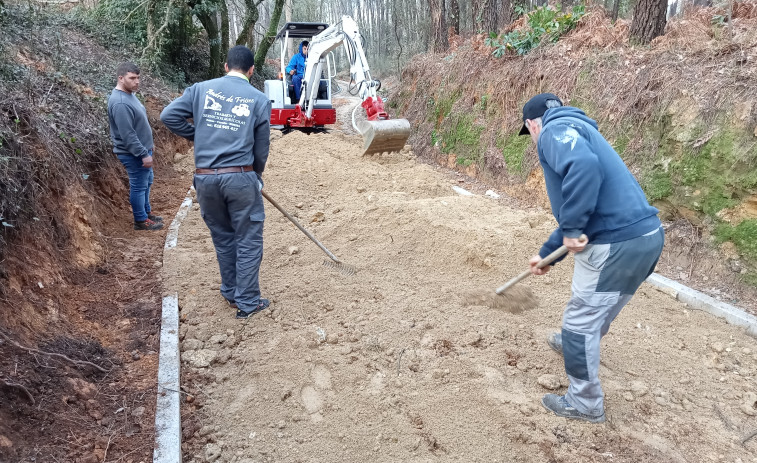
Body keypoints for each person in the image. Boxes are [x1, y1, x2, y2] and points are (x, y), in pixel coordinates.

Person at [519, 93, 664, 423]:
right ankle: (577, 345)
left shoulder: (554, 131)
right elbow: (586, 207)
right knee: (599, 305)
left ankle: (584, 404)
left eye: (530, 134)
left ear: (532, 124)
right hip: (645, 237)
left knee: (580, 322)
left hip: (617, 244)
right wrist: (546, 255)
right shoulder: (582, 130)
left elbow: (582, 170)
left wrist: (570, 228)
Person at [160, 46, 272, 320]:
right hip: (240, 177)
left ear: (225, 66)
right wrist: (255, 175)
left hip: (205, 178)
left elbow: (168, 116)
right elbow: (261, 148)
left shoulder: (200, 89)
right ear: (252, 70)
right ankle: (247, 301)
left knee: (223, 237)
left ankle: (231, 291)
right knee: (248, 239)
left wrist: (199, 135)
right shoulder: (258, 99)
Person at [107, 62, 163, 231]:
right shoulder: (120, 103)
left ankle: (146, 213)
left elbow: (139, 124)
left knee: (147, 181)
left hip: (143, 149)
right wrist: (142, 154)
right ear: (121, 78)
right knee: (139, 185)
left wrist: (149, 145)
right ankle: (140, 220)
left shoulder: (130, 95)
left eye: (138, 78)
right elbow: (128, 135)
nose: (137, 81)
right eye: (132, 78)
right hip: (133, 153)